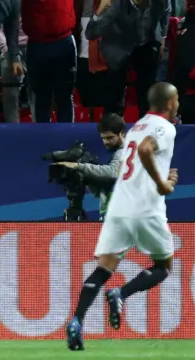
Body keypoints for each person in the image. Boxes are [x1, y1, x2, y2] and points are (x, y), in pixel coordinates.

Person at [66, 82, 180, 351]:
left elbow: (137, 162)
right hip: (146, 207)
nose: (178, 105)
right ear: (169, 102)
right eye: (176, 100)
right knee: (163, 267)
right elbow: (145, 152)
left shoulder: (137, 127)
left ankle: (76, 321)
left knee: (104, 268)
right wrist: (162, 185)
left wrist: (163, 176)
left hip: (118, 207)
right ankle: (122, 293)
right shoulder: (165, 127)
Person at [55, 113, 126, 220]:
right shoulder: (116, 153)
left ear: (122, 133)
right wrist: (88, 179)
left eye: (110, 137)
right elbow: (103, 190)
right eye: (103, 138)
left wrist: (79, 166)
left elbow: (113, 172)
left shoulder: (126, 152)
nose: (106, 142)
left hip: (121, 214)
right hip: (111, 211)